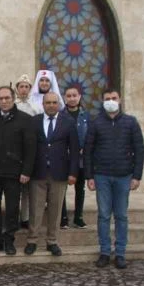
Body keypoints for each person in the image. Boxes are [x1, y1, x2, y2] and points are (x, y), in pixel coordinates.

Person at [85, 88, 144, 270]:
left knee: (121, 215)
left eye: (114, 98)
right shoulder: (95, 122)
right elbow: (88, 150)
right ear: (102, 101)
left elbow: (139, 149)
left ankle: (120, 253)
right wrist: (89, 176)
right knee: (103, 215)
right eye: (107, 98)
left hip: (123, 176)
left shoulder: (130, 122)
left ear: (119, 100)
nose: (111, 101)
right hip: (101, 175)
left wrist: (136, 176)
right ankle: (104, 252)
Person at [0, 86, 36, 256]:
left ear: (13, 98)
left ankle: (9, 239)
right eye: (0, 99)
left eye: (7, 98)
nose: (4, 101)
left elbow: (30, 149)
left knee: (11, 209)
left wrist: (26, 171)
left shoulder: (25, 119)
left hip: (14, 174)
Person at [25, 92, 79, 257]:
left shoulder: (68, 123)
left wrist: (73, 173)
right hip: (38, 172)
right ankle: (32, 240)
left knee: (55, 209)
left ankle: (52, 241)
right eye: (48, 102)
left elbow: (75, 150)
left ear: (59, 104)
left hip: (59, 173)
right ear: (43, 104)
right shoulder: (34, 121)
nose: (51, 105)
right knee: (36, 208)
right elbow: (29, 147)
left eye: (54, 102)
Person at [60, 86, 89, 229]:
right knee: (62, 188)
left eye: (74, 95)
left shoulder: (86, 116)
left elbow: (90, 136)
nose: (72, 98)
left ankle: (78, 216)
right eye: (69, 95)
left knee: (80, 187)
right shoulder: (60, 115)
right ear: (65, 97)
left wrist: (85, 148)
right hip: (64, 158)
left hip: (81, 158)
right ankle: (63, 217)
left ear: (79, 97)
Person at [14, 74, 40, 229]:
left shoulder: (35, 106)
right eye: (21, 86)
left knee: (28, 189)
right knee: (15, 188)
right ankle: (14, 215)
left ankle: (25, 217)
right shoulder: (13, 105)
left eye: (26, 87)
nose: (23, 89)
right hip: (15, 151)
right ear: (17, 89)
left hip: (30, 150)